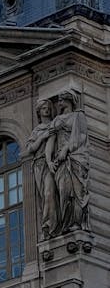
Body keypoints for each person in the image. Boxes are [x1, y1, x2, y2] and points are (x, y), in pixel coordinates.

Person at [46, 91, 89, 233]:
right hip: (60, 162)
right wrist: (49, 161)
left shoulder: (79, 116)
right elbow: (50, 142)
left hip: (76, 158)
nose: (58, 103)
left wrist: (66, 149)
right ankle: (67, 223)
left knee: (77, 193)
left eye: (61, 100)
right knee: (64, 191)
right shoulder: (57, 120)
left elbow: (81, 136)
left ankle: (76, 223)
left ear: (68, 100)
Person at [24, 99, 58, 239]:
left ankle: (50, 224)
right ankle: (48, 226)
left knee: (49, 192)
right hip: (39, 164)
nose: (46, 110)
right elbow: (30, 149)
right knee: (43, 196)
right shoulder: (37, 130)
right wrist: (42, 137)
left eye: (48, 107)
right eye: (43, 108)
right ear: (39, 112)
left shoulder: (55, 125)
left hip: (52, 163)